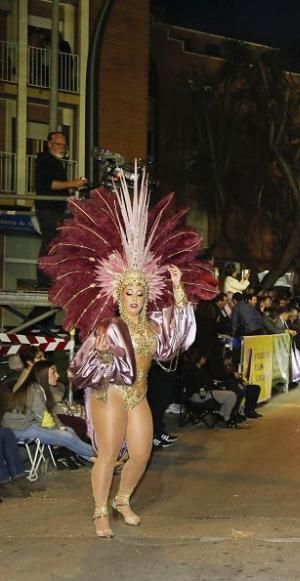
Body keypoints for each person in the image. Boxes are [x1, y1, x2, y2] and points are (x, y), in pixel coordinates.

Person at [40, 170, 214, 538]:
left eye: (140, 294)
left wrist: (180, 290)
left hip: (139, 393)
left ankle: (122, 499)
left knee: (141, 453)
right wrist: (102, 356)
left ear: (147, 294)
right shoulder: (106, 327)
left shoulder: (152, 325)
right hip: (110, 394)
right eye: (129, 294)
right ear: (118, 294)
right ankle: (100, 511)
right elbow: (80, 367)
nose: (135, 300)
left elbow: (177, 340)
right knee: (107, 454)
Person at [2, 360, 95, 464]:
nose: (58, 375)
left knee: (69, 431)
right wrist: (57, 428)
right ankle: (101, 454)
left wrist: (60, 426)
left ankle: (95, 459)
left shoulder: (39, 388)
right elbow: (44, 419)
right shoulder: (35, 390)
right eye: (53, 372)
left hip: (27, 424)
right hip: (16, 429)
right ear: (44, 375)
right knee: (66, 436)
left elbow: (50, 414)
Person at [33, 131, 86, 288]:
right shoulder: (45, 161)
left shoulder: (54, 162)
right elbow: (50, 185)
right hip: (48, 208)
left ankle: (48, 279)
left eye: (64, 145)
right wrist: (73, 184)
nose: (62, 148)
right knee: (51, 242)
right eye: (58, 144)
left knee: (54, 243)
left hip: (54, 208)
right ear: (49, 144)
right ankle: (44, 281)